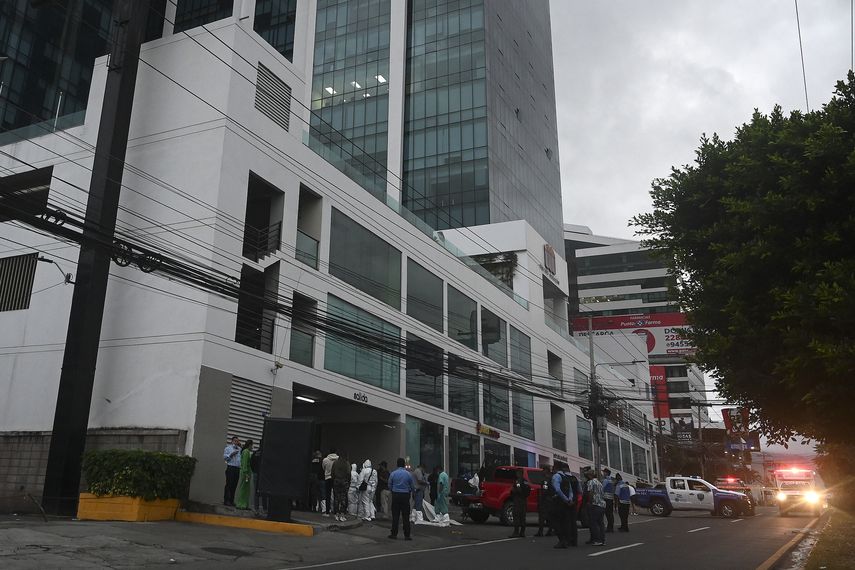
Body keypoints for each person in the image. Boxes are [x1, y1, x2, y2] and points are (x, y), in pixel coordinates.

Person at [549, 462, 577, 548]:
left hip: (558, 502)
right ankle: (566, 540)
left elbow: (557, 490)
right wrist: (569, 500)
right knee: (565, 522)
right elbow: (570, 491)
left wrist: (565, 499)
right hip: (567, 503)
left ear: (555, 468)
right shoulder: (565, 477)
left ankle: (562, 540)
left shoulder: (556, 476)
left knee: (556, 522)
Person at [388, 457, 414, 540]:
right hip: (405, 495)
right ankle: (407, 535)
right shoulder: (408, 474)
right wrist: (411, 491)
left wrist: (392, 490)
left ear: (397, 464)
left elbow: (389, 484)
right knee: (406, 516)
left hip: (396, 494)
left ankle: (394, 534)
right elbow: (412, 486)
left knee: (395, 515)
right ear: (404, 465)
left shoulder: (393, 473)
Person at [584, 469, 606, 546]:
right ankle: (602, 540)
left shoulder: (591, 482)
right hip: (602, 504)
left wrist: (589, 502)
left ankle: (597, 540)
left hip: (595, 504)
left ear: (590, 475)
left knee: (594, 523)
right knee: (601, 523)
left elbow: (590, 493)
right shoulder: (599, 483)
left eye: (588, 475)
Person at [508, 471, 531, 538]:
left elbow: (518, 489)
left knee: (516, 515)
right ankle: (522, 532)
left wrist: (513, 490)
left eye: (517, 473)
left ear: (519, 473)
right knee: (522, 516)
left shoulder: (518, 481)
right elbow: (528, 490)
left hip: (518, 500)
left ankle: (516, 532)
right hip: (524, 500)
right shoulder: (525, 481)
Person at [534, 464, 554, 537]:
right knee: (549, 516)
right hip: (550, 500)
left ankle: (541, 531)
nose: (542, 471)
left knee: (542, 516)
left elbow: (545, 490)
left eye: (543, 470)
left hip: (545, 500)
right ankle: (550, 530)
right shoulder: (551, 478)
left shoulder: (546, 480)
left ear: (546, 470)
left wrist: (541, 498)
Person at [223, 436, 242, 506]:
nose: (236, 442)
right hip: (230, 467)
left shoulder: (240, 449)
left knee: (234, 484)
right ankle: (226, 500)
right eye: (235, 441)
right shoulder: (228, 448)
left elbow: (240, 459)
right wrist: (231, 455)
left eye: (237, 441)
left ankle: (231, 500)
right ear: (232, 441)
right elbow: (225, 459)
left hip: (237, 468)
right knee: (229, 484)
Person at [234, 439, 253, 510]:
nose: (252, 447)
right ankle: (241, 504)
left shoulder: (245, 451)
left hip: (246, 472)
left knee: (246, 489)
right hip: (246, 473)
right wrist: (246, 473)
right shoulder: (246, 452)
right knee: (244, 489)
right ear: (250, 445)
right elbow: (245, 463)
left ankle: (244, 504)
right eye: (252, 445)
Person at [332, 453, 350, 522]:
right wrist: (348, 481)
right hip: (344, 482)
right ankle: (342, 514)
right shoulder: (347, 463)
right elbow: (348, 473)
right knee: (343, 498)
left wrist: (334, 479)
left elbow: (332, 473)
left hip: (336, 481)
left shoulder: (335, 463)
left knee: (336, 498)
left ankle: (336, 514)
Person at [322, 448, 339, 516]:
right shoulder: (338, 459)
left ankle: (327, 512)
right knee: (336, 495)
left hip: (328, 478)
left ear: (329, 451)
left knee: (327, 495)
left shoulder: (325, 460)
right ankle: (335, 512)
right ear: (336, 451)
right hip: (336, 478)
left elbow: (323, 468)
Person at [602, 468, 615, 533]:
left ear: (606, 473)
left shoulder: (605, 480)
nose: (603, 474)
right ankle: (611, 527)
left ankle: (609, 528)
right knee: (610, 513)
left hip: (606, 498)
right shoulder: (611, 480)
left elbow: (602, 488)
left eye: (604, 472)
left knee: (607, 513)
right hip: (611, 498)